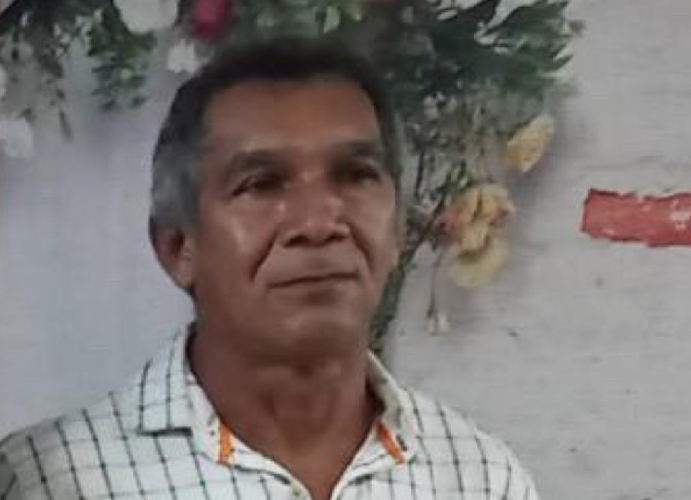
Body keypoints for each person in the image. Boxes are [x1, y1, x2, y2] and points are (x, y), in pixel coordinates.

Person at [0, 39, 538, 500]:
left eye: (355, 174)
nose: (319, 223)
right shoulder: (47, 481)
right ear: (178, 247)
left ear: (398, 229)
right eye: (260, 184)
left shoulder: (478, 477)